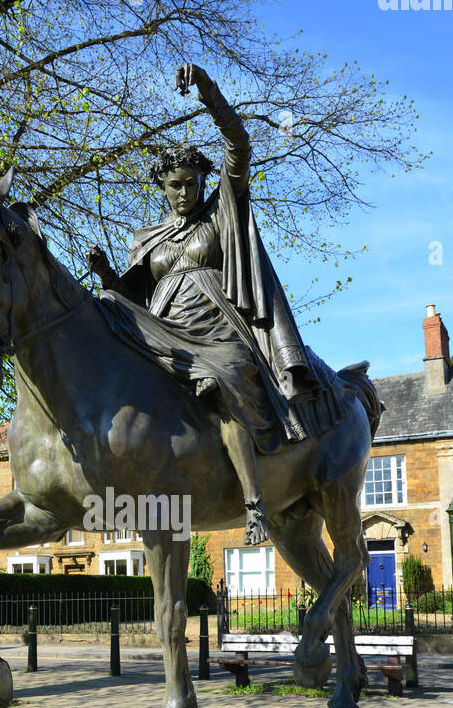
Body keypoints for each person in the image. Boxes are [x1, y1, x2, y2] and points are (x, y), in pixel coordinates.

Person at [87, 62, 322, 545]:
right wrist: (106, 272)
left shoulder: (220, 212)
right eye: (174, 185)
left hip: (219, 329)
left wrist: (207, 89)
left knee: (225, 383)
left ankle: (254, 505)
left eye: (191, 183)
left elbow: (239, 144)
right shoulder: (146, 238)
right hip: (164, 330)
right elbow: (135, 296)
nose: (183, 192)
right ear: (162, 186)